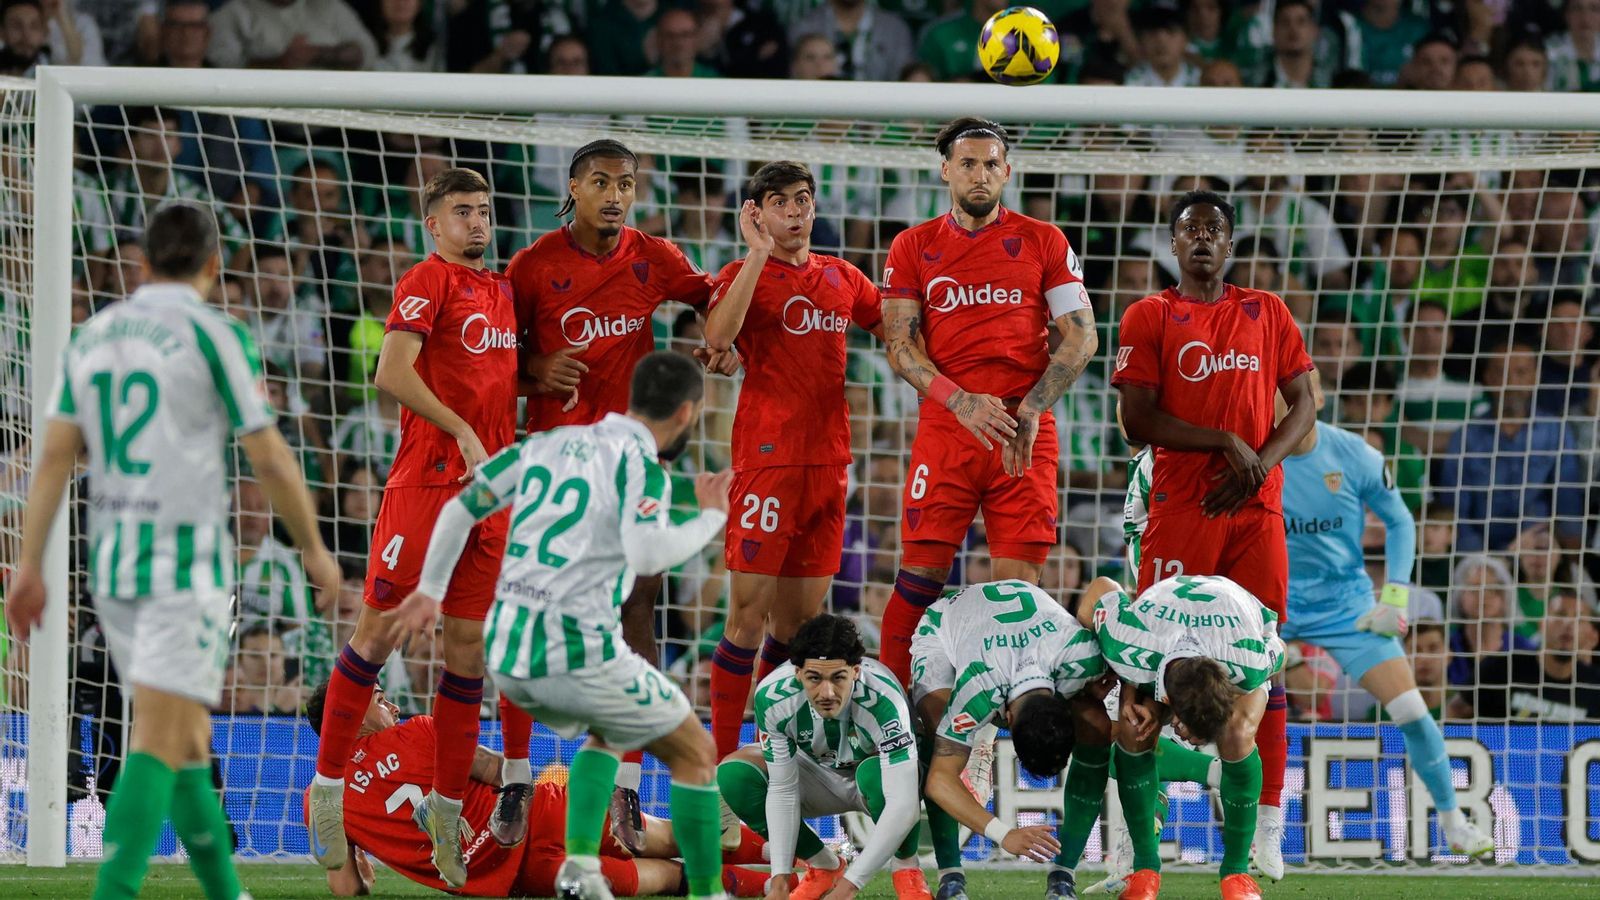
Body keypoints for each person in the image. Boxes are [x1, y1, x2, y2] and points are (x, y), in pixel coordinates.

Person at [6, 200, 341, 900]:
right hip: (184, 568)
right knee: (157, 738)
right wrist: (312, 547)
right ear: (216, 267)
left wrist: (31, 563)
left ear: (143, 262)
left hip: (111, 567)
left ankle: (226, 891)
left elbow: (55, 460)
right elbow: (271, 457)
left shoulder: (92, 335)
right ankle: (114, 891)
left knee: (184, 735)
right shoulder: (217, 335)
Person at [386, 350, 734, 900]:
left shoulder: (546, 444)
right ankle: (709, 892)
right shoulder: (641, 467)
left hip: (506, 656)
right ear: (688, 413)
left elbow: (460, 509)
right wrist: (713, 516)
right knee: (696, 753)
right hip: (575, 652)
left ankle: (580, 869)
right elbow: (647, 555)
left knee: (611, 730)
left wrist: (430, 591)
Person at [306, 168, 520, 887]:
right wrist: (460, 429)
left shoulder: (502, 292)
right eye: (463, 212)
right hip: (425, 485)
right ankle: (329, 793)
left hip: (487, 499)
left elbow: (490, 375)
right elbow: (390, 374)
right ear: (434, 224)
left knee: (467, 655)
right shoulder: (428, 280)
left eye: (485, 211)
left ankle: (446, 807)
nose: (478, 223)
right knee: (376, 634)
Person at [506, 141, 723, 837]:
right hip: (558, 462)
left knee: (638, 612)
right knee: (531, 607)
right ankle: (515, 776)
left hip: (635, 461)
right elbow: (492, 357)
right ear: (573, 186)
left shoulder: (652, 256)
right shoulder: (532, 266)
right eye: (600, 182)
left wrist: (720, 336)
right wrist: (535, 366)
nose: (614, 194)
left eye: (625, 183)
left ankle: (628, 784)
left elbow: (709, 299)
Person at [1112, 188, 1316, 882]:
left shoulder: (1267, 311)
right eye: (1190, 230)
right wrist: (1225, 441)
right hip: (1181, 507)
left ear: (1230, 244)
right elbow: (1136, 421)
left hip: (1255, 510)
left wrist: (1259, 466)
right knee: (1147, 671)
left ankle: (1264, 829)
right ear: (1173, 245)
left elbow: (1307, 402)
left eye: (1214, 230)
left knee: (1268, 666)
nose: (1202, 239)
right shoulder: (1149, 315)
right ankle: (1134, 842)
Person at [876, 117, 1097, 692]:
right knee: (918, 581)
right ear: (946, 169)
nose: (980, 174)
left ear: (1008, 170)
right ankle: (896, 724)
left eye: (991, 164)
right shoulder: (912, 246)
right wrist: (961, 401)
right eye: (968, 164)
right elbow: (899, 347)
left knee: (1017, 598)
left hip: (1021, 435)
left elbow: (1081, 336)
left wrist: (1030, 407)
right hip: (948, 430)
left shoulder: (1044, 240)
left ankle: (985, 737)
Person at [699, 161, 883, 762]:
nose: (797, 211)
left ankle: (772, 759)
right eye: (781, 202)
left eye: (803, 199)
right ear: (757, 213)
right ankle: (721, 769)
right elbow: (719, 337)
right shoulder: (741, 273)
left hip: (829, 468)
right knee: (746, 621)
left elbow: (897, 327)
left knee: (795, 635)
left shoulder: (843, 277)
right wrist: (755, 255)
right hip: (768, 464)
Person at [1279, 372, 1495, 858]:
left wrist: (1394, 598)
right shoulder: (1256, 459)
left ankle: (1454, 822)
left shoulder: (1354, 454)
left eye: (1302, 391)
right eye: (1281, 395)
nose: (1293, 402)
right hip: (1278, 608)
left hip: (1348, 608)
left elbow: (1399, 519)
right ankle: (1249, 836)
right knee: (1232, 718)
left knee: (1414, 714)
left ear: (1319, 396)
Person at [304, 685, 770, 898]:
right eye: (376, 696)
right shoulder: (420, 731)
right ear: (346, 715)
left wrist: (365, 868)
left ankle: (773, 889)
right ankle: (788, 860)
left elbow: (347, 888)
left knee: (666, 879)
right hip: (542, 816)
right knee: (669, 836)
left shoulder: (318, 802)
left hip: (513, 877)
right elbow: (500, 773)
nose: (390, 702)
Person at [1078, 574, 1285, 900]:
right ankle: (1144, 869)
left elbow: (1275, 639)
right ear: (1168, 704)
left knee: (1238, 732)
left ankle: (1236, 874)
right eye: (1186, 730)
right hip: (1158, 632)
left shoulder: (1252, 663)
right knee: (1131, 731)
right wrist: (1114, 677)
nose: (1189, 740)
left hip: (1237, 624)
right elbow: (1101, 587)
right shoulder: (1126, 645)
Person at [910, 579, 1108, 900]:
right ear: (1008, 722)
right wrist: (1004, 834)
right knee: (937, 726)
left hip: (1023, 629)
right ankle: (950, 875)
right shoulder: (977, 687)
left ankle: (1063, 875)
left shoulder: (1086, 658)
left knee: (1098, 721)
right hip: (947, 620)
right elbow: (937, 781)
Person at [718, 613, 931, 900]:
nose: (827, 692)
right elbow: (782, 789)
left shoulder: (883, 699)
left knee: (875, 777)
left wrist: (848, 888)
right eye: (814, 678)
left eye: (839, 677)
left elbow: (903, 804)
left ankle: (907, 869)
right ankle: (823, 865)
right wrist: (779, 879)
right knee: (734, 776)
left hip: (873, 780)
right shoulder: (772, 697)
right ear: (797, 674)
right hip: (816, 774)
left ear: (856, 671)